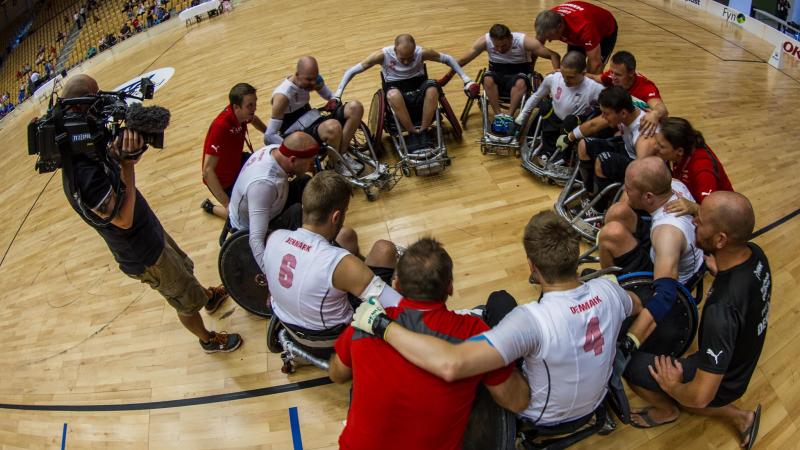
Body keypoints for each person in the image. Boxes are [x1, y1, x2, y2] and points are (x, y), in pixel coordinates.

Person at [350, 210, 640, 429]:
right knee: (500, 301)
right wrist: (627, 337)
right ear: (575, 257)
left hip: (544, 416)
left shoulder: (529, 321)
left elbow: (451, 364)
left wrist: (382, 324)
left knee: (496, 314)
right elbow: (638, 303)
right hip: (595, 402)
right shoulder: (610, 292)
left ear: (532, 266)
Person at [59, 74, 241, 353]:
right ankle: (207, 339)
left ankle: (207, 297)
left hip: (148, 231)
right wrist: (128, 164)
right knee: (182, 299)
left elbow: (117, 166)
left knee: (184, 269)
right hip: (141, 252)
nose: (102, 106)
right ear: (80, 108)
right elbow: (123, 219)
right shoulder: (82, 173)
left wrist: (128, 150)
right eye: (96, 100)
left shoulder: (86, 146)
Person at [329, 237, 528, 450]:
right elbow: (515, 401)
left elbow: (337, 373)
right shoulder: (473, 331)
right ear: (450, 287)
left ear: (395, 283)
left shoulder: (365, 324)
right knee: (502, 303)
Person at [623, 191, 767, 450]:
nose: (694, 222)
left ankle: (668, 411)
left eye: (699, 219)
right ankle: (743, 418)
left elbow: (701, 396)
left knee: (629, 364)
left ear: (721, 240)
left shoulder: (721, 311)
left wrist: (674, 387)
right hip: (742, 359)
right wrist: (721, 271)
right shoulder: (755, 256)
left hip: (726, 380)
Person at [264, 171, 402, 339]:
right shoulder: (341, 264)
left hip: (289, 322)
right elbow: (400, 305)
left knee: (345, 235)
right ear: (336, 216)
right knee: (385, 249)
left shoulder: (274, 237)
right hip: (333, 338)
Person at [599, 156, 704, 346]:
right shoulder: (672, 184)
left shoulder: (667, 235)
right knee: (618, 211)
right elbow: (628, 202)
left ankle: (609, 290)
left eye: (628, 188)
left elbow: (665, 296)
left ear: (648, 197)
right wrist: (697, 208)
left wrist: (631, 340)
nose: (625, 190)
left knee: (609, 234)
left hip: (667, 272)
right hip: (667, 248)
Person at [334, 33, 477, 147]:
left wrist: (467, 80)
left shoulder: (422, 53)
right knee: (393, 95)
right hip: (396, 88)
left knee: (433, 88)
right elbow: (351, 71)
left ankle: (424, 130)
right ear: (395, 49)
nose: (407, 62)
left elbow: (448, 59)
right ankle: (412, 132)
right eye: (403, 59)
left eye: (411, 57)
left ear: (415, 49)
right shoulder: (382, 55)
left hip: (418, 86)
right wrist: (337, 95)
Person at [439, 23, 560, 130]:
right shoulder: (485, 41)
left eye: (504, 45)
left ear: (511, 38)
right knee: (487, 78)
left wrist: (557, 74)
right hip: (497, 73)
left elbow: (554, 55)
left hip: (518, 74)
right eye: (496, 46)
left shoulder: (523, 41)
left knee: (521, 82)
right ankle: (498, 116)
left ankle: (509, 116)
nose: (500, 49)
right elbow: (462, 60)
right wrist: (446, 78)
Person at [227, 131, 318, 270]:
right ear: (293, 160)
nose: (312, 166)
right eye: (309, 163)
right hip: (248, 229)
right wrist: (271, 280)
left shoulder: (275, 150)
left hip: (267, 204)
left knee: (305, 182)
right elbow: (255, 239)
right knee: (296, 212)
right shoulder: (264, 185)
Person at [265, 56, 364, 159]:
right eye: (309, 79)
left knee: (355, 107)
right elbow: (269, 135)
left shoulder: (314, 79)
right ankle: (335, 162)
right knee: (333, 127)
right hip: (297, 134)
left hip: (314, 121)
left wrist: (333, 101)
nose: (313, 83)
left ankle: (342, 154)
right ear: (297, 75)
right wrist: (295, 151)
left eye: (314, 78)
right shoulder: (282, 96)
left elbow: (330, 96)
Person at [512, 51, 603, 159]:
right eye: (563, 75)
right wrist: (523, 115)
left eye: (570, 77)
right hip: (554, 117)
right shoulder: (553, 78)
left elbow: (612, 105)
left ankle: (564, 156)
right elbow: (536, 97)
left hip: (574, 123)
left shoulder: (594, 88)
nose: (565, 80)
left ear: (583, 73)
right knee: (545, 107)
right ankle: (548, 150)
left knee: (570, 120)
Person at [575, 86, 657, 201]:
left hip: (641, 167)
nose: (603, 117)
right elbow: (594, 125)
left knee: (603, 160)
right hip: (627, 151)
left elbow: (641, 172)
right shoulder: (627, 108)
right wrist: (570, 137)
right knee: (584, 145)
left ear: (623, 113)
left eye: (606, 114)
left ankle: (598, 207)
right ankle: (591, 193)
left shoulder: (644, 134)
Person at [200, 83, 267, 219]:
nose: (254, 108)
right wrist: (227, 204)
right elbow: (207, 172)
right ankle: (211, 208)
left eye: (255, 103)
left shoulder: (243, 114)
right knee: (243, 217)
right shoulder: (221, 127)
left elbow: (252, 118)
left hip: (238, 163)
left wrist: (268, 132)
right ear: (236, 107)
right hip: (225, 182)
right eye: (250, 105)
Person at [656, 117, 733, 217]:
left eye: (661, 146)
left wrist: (694, 207)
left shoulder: (703, 173)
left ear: (679, 151)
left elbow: (712, 214)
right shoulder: (684, 148)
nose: (655, 147)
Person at [591, 51, 668, 137]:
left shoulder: (646, 87)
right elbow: (594, 78)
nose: (613, 77)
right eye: (611, 72)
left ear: (631, 73)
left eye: (618, 74)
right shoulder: (613, 75)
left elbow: (661, 108)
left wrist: (655, 114)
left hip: (643, 131)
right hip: (623, 122)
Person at [535, 1, 618, 74]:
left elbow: (595, 63)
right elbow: (536, 47)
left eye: (550, 37)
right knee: (571, 67)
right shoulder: (546, 22)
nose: (549, 41)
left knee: (596, 70)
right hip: (577, 30)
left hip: (605, 32)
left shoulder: (584, 28)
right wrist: (529, 70)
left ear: (560, 27)